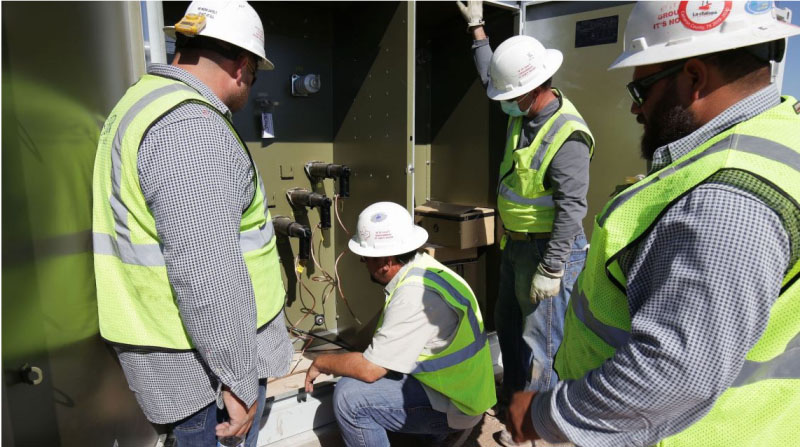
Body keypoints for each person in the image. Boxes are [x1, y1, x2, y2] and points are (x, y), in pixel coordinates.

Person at [505, 2, 800, 446]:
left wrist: (545, 415)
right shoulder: (778, 133)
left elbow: (675, 373)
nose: (634, 108)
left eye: (641, 90)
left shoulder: (724, 200)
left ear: (694, 78)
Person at [92, 1, 292, 445]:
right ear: (242, 66)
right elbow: (206, 271)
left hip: (185, 353)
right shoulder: (190, 127)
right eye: (255, 74)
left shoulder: (142, 100)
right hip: (209, 375)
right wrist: (238, 379)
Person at [456, 1, 594, 444]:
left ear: (534, 88)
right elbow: (491, 80)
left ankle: (537, 432)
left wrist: (552, 268)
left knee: (543, 346)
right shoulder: (523, 107)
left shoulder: (567, 135)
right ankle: (514, 411)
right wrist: (478, 30)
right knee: (511, 331)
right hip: (516, 246)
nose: (506, 102)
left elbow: (572, 209)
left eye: (512, 95)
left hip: (549, 252)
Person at [304, 201, 496, 447]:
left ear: (385, 261)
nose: (363, 262)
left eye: (365, 257)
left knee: (350, 398)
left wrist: (322, 362)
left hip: (455, 404)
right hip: (460, 391)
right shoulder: (426, 268)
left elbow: (370, 370)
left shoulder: (413, 295)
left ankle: (440, 433)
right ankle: (434, 437)